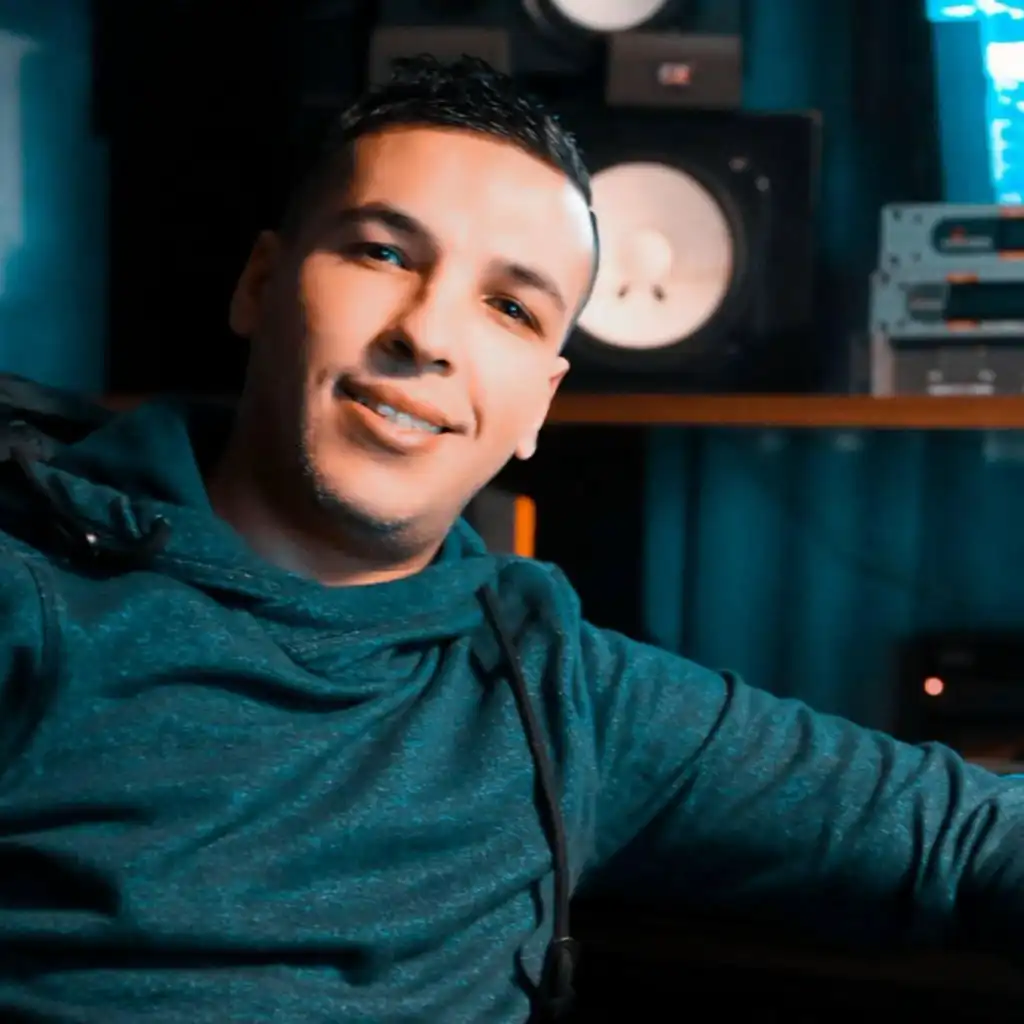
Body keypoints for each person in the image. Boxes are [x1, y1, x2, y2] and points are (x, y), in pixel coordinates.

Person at [0, 53, 1023, 1024]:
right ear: (261, 286)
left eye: (509, 307)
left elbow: (965, 836)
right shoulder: (31, 599)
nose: (427, 335)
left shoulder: (559, 688)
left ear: (540, 401)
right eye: (383, 252)